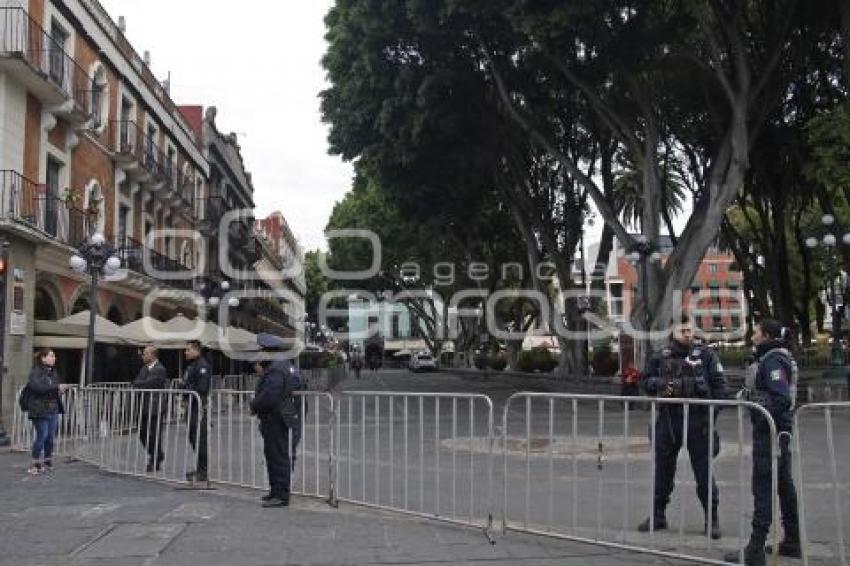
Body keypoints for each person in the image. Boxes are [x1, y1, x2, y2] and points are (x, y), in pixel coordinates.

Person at [638, 316, 728, 540]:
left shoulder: (706, 356)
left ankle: (712, 518)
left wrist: (710, 415)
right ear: (672, 332)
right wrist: (660, 385)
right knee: (663, 471)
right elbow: (645, 382)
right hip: (669, 420)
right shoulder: (660, 357)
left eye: (690, 330)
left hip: (698, 421)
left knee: (704, 473)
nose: (688, 334)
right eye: (683, 330)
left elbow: (720, 389)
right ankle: (658, 515)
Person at [724, 319, 800, 565]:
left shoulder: (774, 360)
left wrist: (750, 400)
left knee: (764, 486)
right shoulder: (773, 357)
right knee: (783, 485)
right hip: (778, 432)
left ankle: (755, 549)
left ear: (765, 335)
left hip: (771, 432)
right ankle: (793, 540)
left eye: (755, 331)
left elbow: (780, 399)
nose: (752, 334)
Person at [250, 333, 305, 507]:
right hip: (284, 416)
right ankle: (275, 491)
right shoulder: (284, 364)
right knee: (275, 454)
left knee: (278, 456)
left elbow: (270, 396)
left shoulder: (275, 368)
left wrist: (253, 405)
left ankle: (280, 495)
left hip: (276, 417)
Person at [25, 349, 67, 474]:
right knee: (42, 436)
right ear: (43, 358)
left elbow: (53, 388)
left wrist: (60, 390)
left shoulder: (53, 372)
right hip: (39, 409)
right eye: (52, 356)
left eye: (54, 356)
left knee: (50, 437)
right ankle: (35, 463)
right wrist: (56, 387)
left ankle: (47, 461)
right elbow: (37, 388)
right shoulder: (35, 371)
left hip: (52, 408)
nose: (54, 358)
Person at [177, 340, 211, 482]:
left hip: (198, 407)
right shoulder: (192, 366)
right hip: (191, 406)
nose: (185, 352)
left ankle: (203, 471)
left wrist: (184, 388)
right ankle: (199, 468)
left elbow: (202, 388)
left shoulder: (202, 366)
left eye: (188, 350)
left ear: (196, 350)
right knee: (193, 438)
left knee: (199, 439)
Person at [132, 345, 169, 472]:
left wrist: (140, 384)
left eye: (145, 354)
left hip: (155, 406)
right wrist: (140, 384)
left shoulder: (160, 369)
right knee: (142, 433)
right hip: (143, 405)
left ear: (152, 355)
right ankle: (157, 454)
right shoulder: (144, 368)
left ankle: (154, 460)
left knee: (154, 434)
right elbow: (136, 382)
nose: (143, 356)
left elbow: (148, 384)